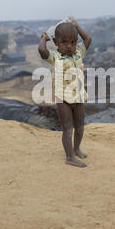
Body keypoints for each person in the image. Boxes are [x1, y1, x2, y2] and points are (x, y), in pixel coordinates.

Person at [38, 17, 92, 168]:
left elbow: (88, 38)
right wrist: (44, 38)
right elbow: (42, 51)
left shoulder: (79, 53)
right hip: (63, 99)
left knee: (80, 127)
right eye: (64, 42)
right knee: (68, 128)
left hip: (79, 97)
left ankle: (76, 149)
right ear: (56, 43)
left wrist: (77, 26)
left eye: (73, 42)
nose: (69, 46)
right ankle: (69, 157)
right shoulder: (55, 57)